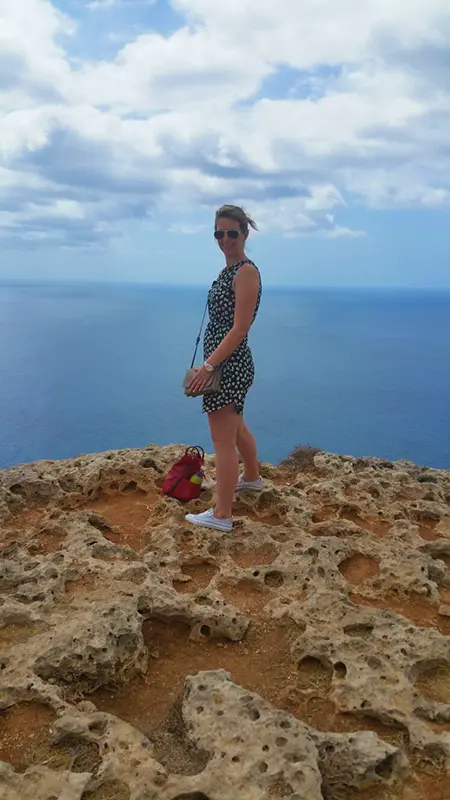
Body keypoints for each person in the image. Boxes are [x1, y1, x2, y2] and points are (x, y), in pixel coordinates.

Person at [185, 204, 262, 534]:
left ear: (245, 233)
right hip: (228, 363)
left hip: (227, 366)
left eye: (232, 233)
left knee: (223, 442)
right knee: (237, 428)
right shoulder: (228, 271)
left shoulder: (245, 272)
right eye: (220, 233)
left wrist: (209, 366)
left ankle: (221, 514)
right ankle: (253, 479)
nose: (225, 239)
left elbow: (240, 328)